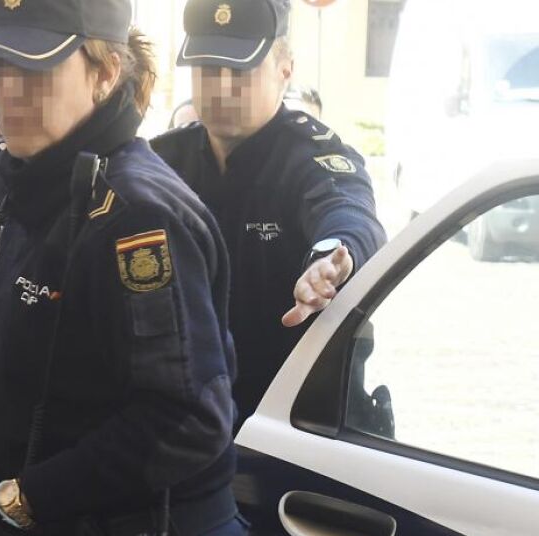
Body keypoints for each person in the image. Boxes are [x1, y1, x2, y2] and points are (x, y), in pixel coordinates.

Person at [0, 1, 250, 536]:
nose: (11, 91)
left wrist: (18, 502)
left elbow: (187, 418)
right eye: (1, 67)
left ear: (105, 73)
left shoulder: (134, 213)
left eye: (37, 69)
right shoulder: (45, 187)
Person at [151, 0, 386, 426]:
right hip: (187, 424)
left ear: (285, 69)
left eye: (240, 70)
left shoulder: (311, 158)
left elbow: (349, 212)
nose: (222, 87)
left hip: (290, 427)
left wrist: (331, 259)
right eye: (208, 69)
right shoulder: (164, 159)